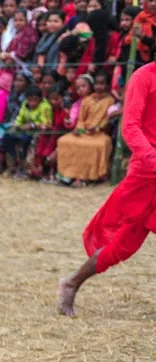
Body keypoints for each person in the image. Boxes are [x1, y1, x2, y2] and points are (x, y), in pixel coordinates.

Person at [58, 62, 156, 316]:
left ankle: (71, 283)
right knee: (120, 244)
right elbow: (130, 127)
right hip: (146, 173)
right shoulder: (143, 77)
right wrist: (151, 157)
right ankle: (72, 282)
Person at [57, 73, 115, 185]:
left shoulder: (110, 101)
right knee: (64, 141)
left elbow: (108, 120)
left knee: (99, 145)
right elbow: (81, 119)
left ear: (107, 86)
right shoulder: (87, 100)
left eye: (102, 84)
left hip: (99, 134)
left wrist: (97, 127)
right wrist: (79, 129)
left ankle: (88, 178)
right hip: (84, 132)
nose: (99, 86)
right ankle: (67, 175)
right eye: (97, 84)